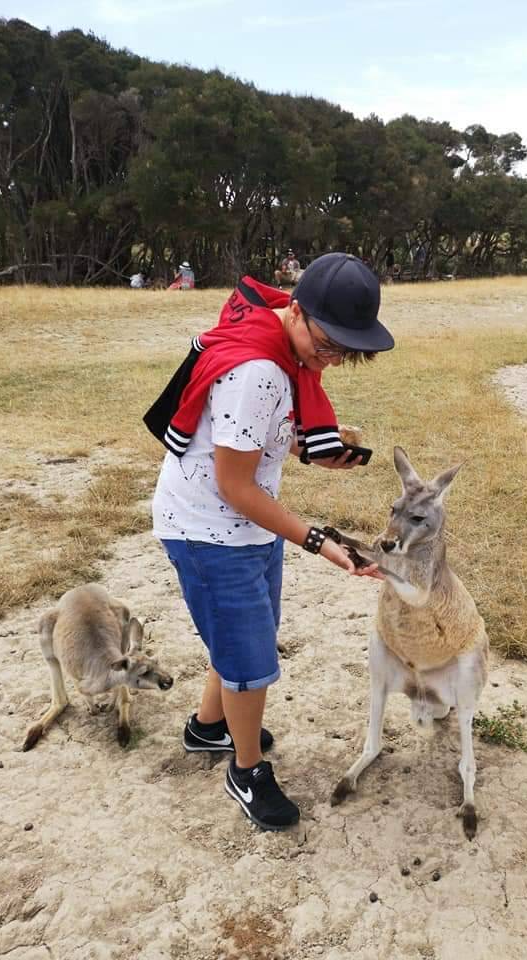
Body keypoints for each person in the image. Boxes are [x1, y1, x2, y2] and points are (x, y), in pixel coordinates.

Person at [145, 252, 394, 832]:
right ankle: (245, 768)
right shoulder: (261, 372)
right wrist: (322, 541)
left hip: (241, 524)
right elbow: (235, 485)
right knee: (250, 657)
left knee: (241, 636)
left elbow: (250, 441)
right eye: (327, 345)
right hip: (209, 529)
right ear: (298, 310)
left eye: (342, 353)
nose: (328, 361)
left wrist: (311, 450)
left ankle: (209, 728)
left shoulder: (278, 340)